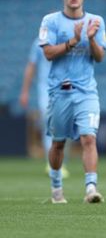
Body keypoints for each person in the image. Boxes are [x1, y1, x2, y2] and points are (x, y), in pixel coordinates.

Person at [39, 0, 106, 204]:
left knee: (89, 138)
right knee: (58, 142)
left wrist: (92, 39)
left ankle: (91, 188)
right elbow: (48, 53)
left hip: (86, 92)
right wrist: (74, 41)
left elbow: (99, 57)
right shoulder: (51, 21)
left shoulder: (96, 21)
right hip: (59, 92)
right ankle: (56, 187)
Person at [19, 38, 70, 178]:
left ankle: (60, 160)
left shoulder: (67, 40)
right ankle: (53, 164)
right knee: (50, 125)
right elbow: (31, 66)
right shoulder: (39, 42)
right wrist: (25, 91)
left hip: (65, 88)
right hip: (46, 90)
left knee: (63, 126)